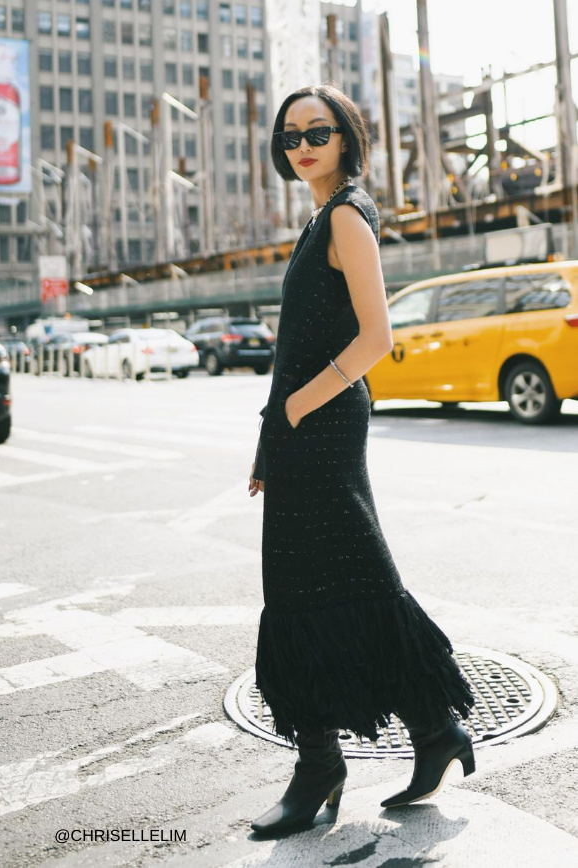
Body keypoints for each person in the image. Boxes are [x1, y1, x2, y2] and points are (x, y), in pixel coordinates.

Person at [247, 83, 476, 836]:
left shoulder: (346, 214)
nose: (303, 146)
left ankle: (326, 764)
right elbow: (298, 345)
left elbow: (377, 338)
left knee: (319, 582)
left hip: (323, 424)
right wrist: (271, 438)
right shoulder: (321, 217)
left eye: (317, 131)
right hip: (302, 428)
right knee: (333, 581)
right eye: (290, 136)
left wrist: (298, 410)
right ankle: (425, 731)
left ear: (346, 136)